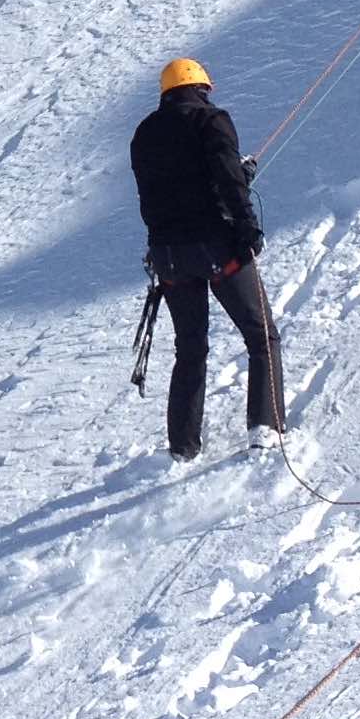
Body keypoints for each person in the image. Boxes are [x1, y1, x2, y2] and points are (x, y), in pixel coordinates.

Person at [129, 57, 283, 460]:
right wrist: (247, 227)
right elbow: (226, 181)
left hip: (169, 258)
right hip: (217, 248)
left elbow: (166, 192)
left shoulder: (143, 135)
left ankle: (182, 447)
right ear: (201, 88)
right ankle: (265, 428)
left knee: (191, 348)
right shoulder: (211, 121)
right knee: (261, 336)